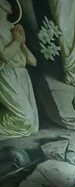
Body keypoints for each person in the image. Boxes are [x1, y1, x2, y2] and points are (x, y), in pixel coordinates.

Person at [0, 0, 38, 138]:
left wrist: (22, 42)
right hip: (6, 75)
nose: (11, 4)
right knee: (25, 119)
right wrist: (16, 41)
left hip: (22, 76)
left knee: (32, 127)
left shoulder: (13, 28)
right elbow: (4, 56)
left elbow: (33, 62)